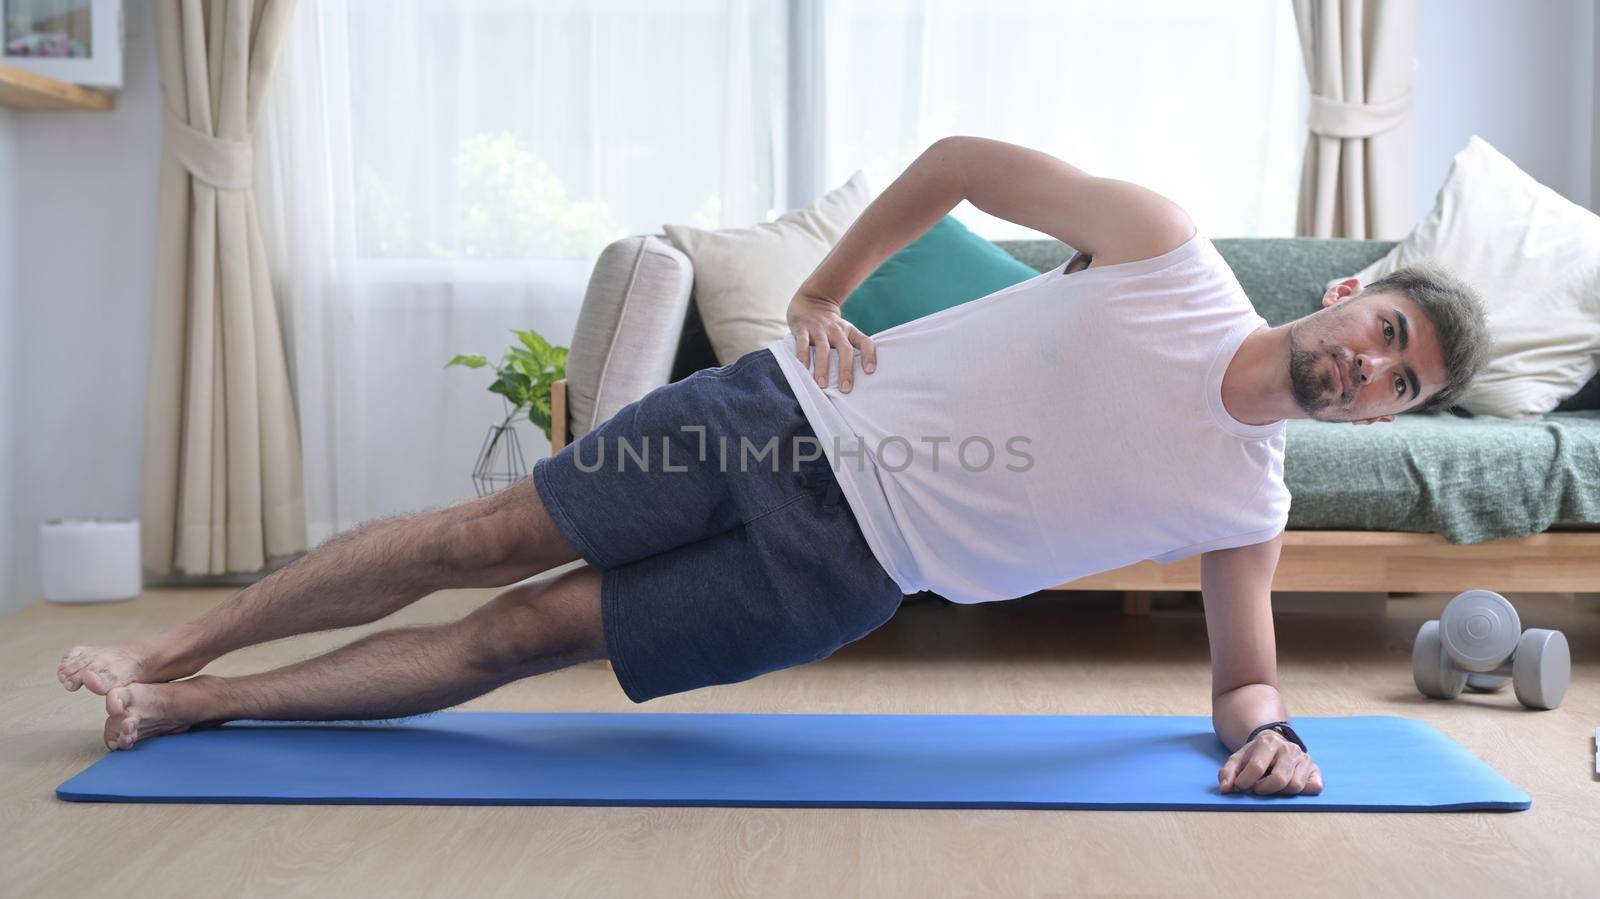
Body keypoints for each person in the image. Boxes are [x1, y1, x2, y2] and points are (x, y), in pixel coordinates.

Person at [58, 136, 1489, 798]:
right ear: (1352, 292)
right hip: (777, 415)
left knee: (522, 633)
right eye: (1386, 330)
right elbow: (957, 165)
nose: (1373, 366)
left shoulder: (1252, 503)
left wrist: (1268, 732)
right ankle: (169, 645)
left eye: (1403, 381)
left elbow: (1243, 674)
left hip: (845, 574)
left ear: (1383, 417)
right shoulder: (1167, 250)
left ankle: (194, 710)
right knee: (483, 539)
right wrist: (823, 293)